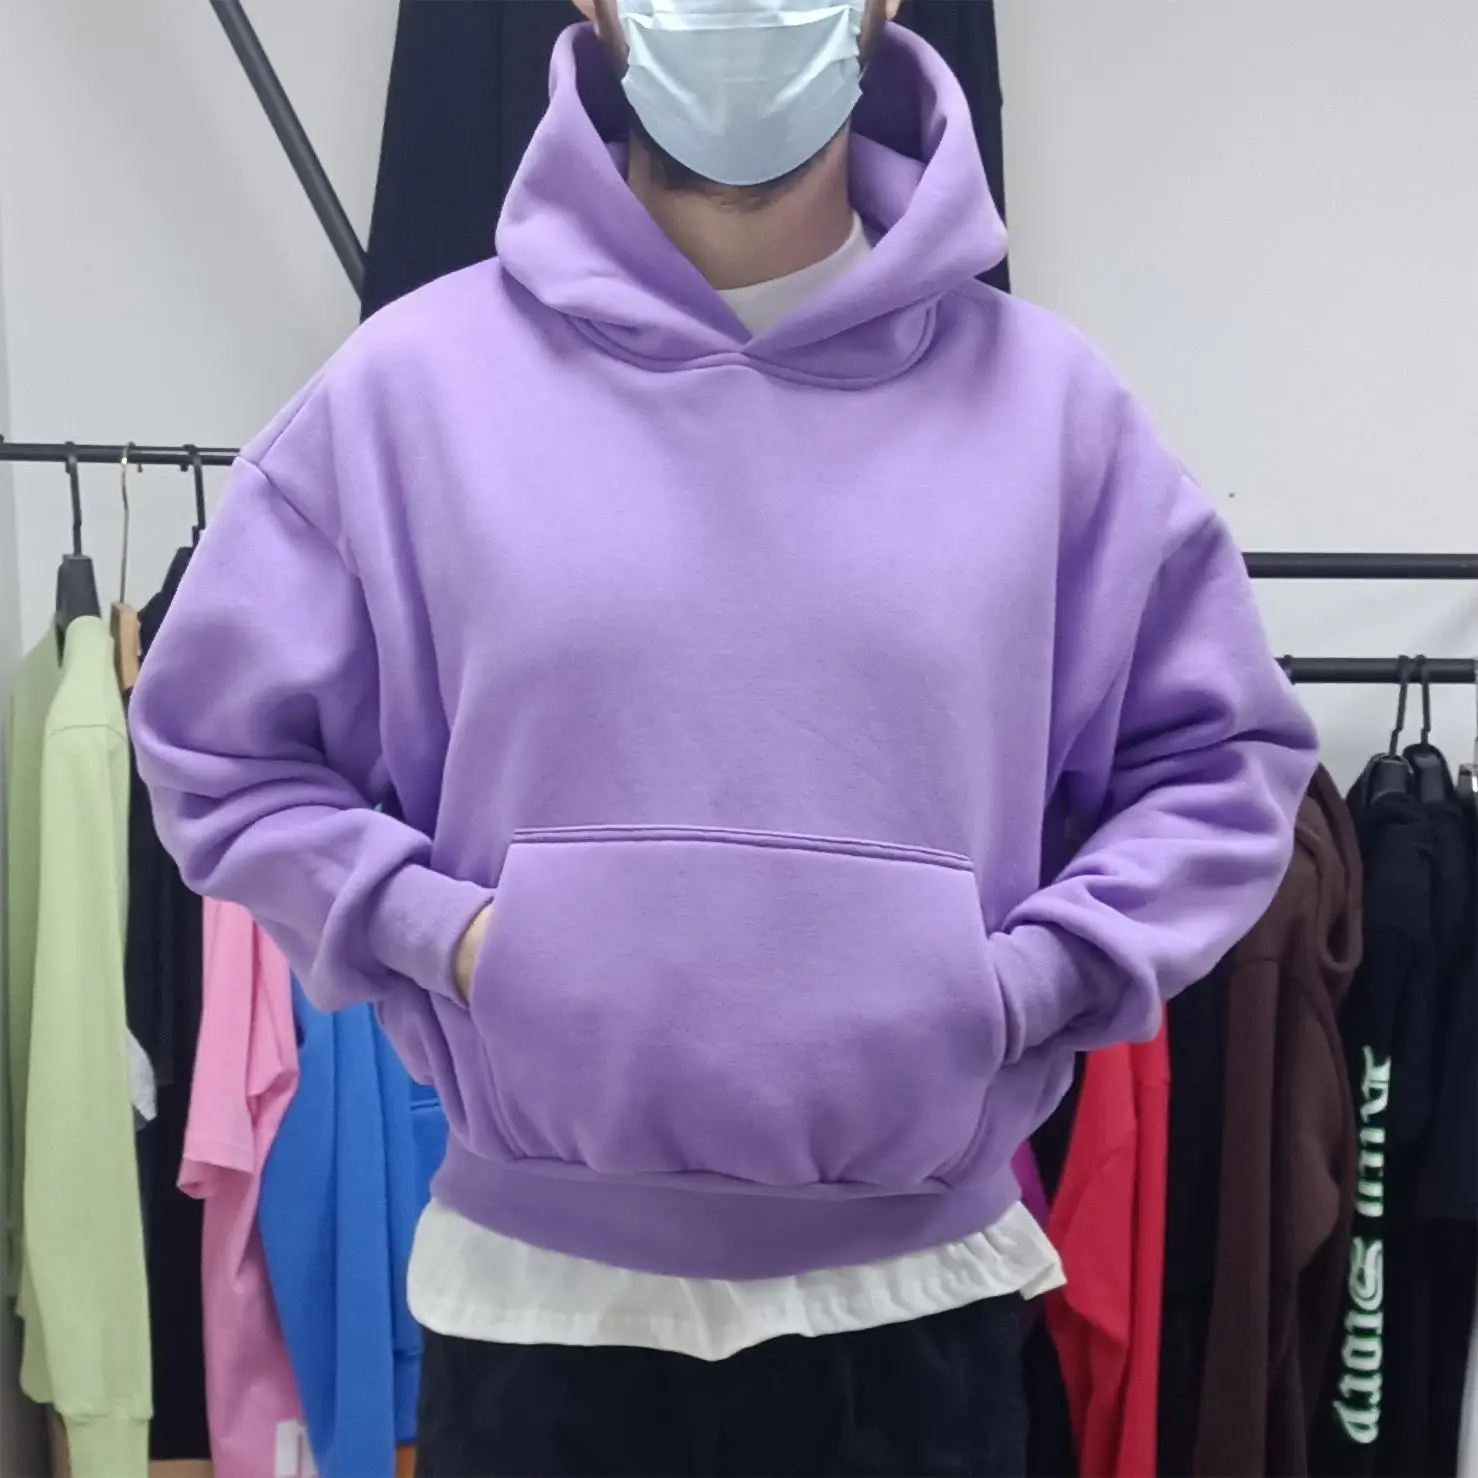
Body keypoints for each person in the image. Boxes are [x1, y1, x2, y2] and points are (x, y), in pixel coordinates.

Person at [130, 1, 1320, 1473]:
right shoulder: (407, 392)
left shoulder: (1053, 415)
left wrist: (1015, 986)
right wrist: (458, 939)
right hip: (538, 1313)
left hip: (916, 1319)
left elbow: (1220, 764)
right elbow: (217, 750)